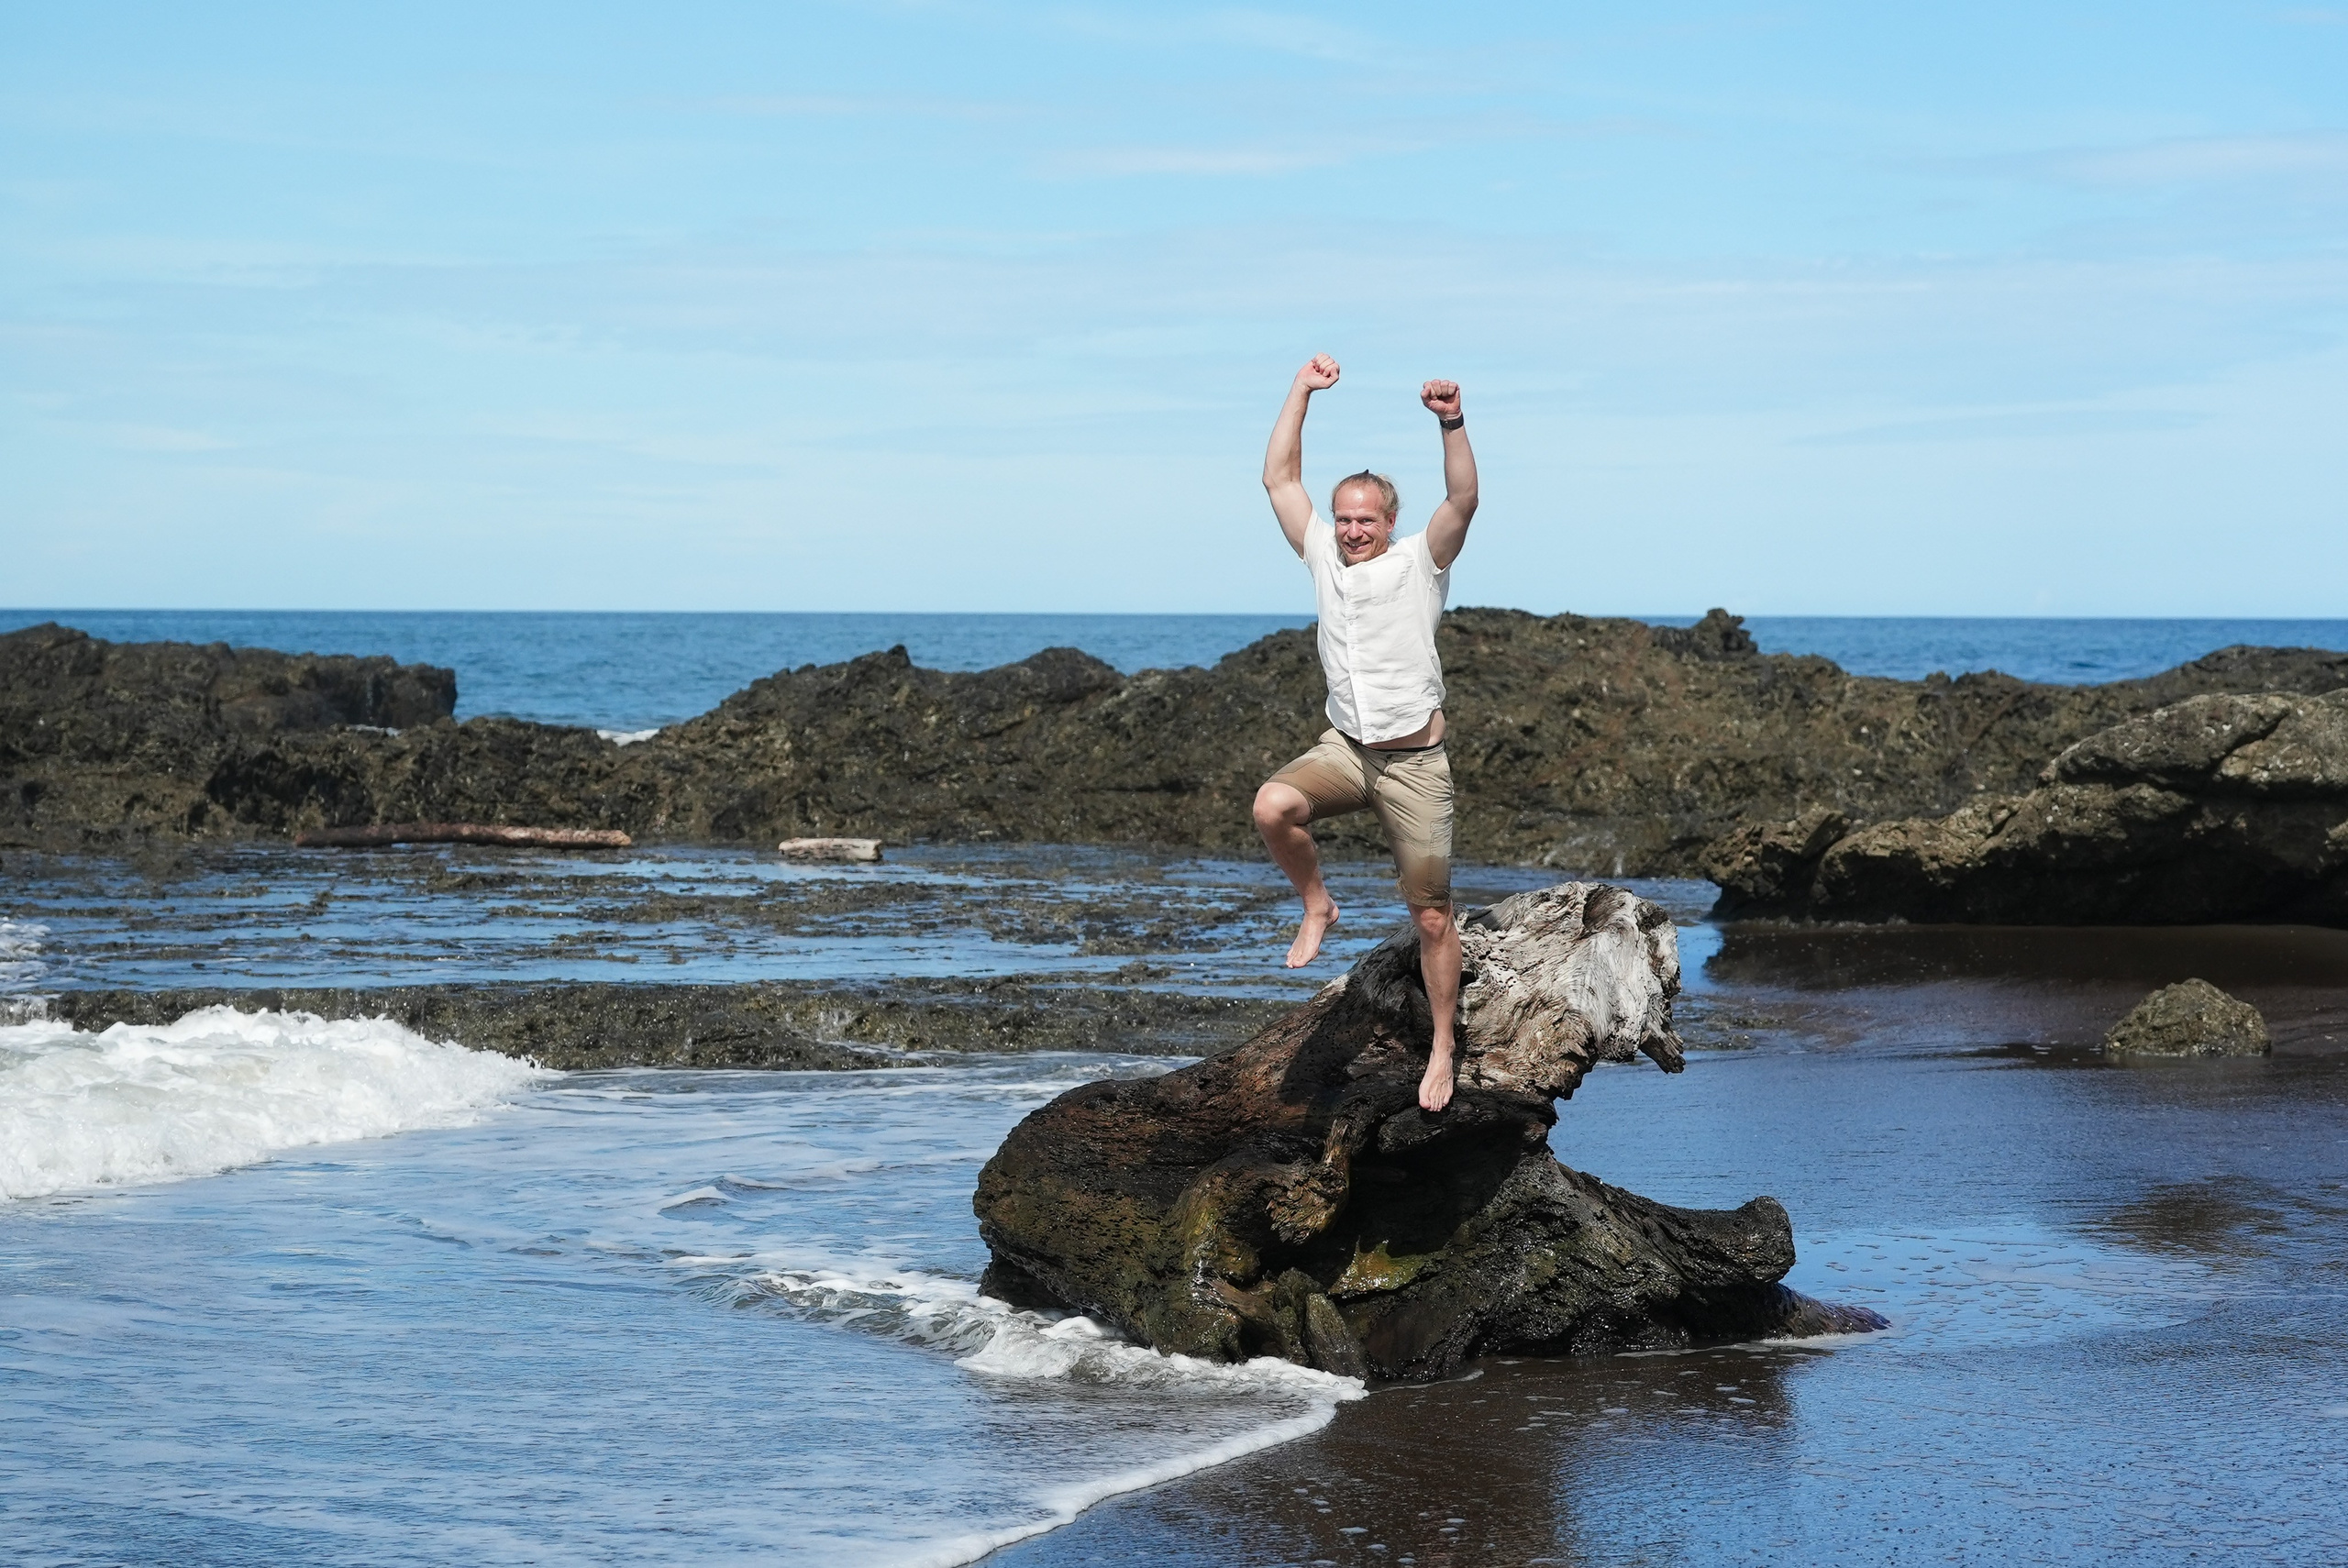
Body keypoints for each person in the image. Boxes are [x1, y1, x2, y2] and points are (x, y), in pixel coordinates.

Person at [1252, 352, 1479, 1113]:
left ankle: (1445, 1043)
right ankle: (1317, 903)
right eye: (1343, 518)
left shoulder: (1422, 560)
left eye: (1364, 520)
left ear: (1389, 522)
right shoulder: (1322, 554)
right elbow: (1280, 480)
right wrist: (1301, 391)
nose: (1350, 531)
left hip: (1415, 764)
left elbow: (1464, 495)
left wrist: (1451, 421)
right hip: (1346, 751)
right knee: (1271, 806)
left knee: (1431, 914)